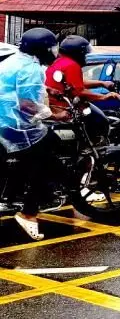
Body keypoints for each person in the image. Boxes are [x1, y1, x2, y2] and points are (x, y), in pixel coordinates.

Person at [0, 28, 69, 240]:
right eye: (51, 47)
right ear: (42, 49)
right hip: (15, 127)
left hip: (4, 122)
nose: (54, 51)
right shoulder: (31, 68)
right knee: (47, 162)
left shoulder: (12, 61)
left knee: (32, 157)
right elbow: (28, 104)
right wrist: (54, 115)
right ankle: (29, 213)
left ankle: (13, 192)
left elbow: (16, 88)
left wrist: (49, 90)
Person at [45, 35, 120, 112]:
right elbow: (79, 92)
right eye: (84, 54)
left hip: (53, 107)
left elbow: (74, 84)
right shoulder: (72, 65)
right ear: (77, 53)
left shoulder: (59, 62)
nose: (84, 57)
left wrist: (102, 83)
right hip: (63, 110)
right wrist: (103, 97)